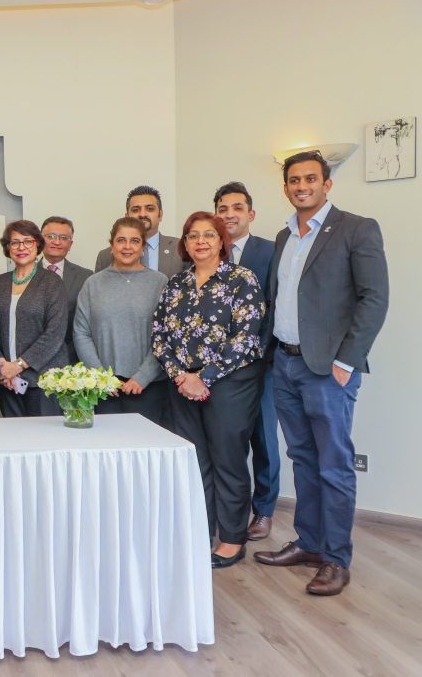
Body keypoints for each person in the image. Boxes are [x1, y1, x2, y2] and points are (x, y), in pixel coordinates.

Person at [254, 151, 389, 596]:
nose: (301, 186)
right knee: (304, 459)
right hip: (287, 364)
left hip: (329, 369)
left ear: (326, 184)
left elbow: (374, 299)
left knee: (334, 466)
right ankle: (310, 544)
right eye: (293, 180)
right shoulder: (283, 235)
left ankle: (336, 559)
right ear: (286, 187)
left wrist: (346, 361)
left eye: (310, 178)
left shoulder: (356, 228)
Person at [152, 211, 264, 569]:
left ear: (221, 241)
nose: (201, 241)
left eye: (209, 235)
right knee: (194, 462)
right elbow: (159, 335)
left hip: (230, 384)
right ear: (184, 244)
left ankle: (232, 539)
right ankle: (200, 532)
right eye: (193, 236)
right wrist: (181, 375)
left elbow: (245, 337)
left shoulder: (241, 279)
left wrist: (206, 376)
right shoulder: (175, 284)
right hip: (182, 385)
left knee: (227, 460)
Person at [213, 182, 279, 541]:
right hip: (218, 370)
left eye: (236, 208)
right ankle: (230, 511)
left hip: (261, 364)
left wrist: (259, 355)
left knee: (264, 440)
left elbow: (275, 306)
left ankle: (264, 510)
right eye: (223, 208)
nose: (229, 214)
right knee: (228, 441)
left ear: (250, 214)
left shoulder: (271, 250)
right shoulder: (206, 251)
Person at [74, 217, 169, 424]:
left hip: (149, 387)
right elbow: (81, 332)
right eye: (121, 240)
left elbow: (166, 335)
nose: (127, 247)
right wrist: (101, 378)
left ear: (143, 247)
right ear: (111, 245)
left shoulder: (160, 282)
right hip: (104, 390)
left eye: (135, 241)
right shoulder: (93, 284)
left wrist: (142, 377)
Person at [0, 220, 68, 417]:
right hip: (6, 382)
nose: (21, 248)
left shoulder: (52, 282)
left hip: (44, 381)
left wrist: (18, 366)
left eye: (28, 241)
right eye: (15, 242)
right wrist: (2, 364)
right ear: (7, 247)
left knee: (43, 442)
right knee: (13, 442)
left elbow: (55, 333)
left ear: (38, 245)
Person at [95, 185, 185, 277]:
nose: (142, 214)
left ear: (160, 214)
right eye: (135, 210)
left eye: (150, 209)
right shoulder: (105, 256)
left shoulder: (181, 249)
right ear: (127, 216)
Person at [39, 216, 92, 363]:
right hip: (31, 361)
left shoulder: (86, 276)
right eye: (51, 236)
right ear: (40, 239)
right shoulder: (25, 274)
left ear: (70, 244)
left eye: (63, 238)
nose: (57, 242)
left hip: (73, 359)